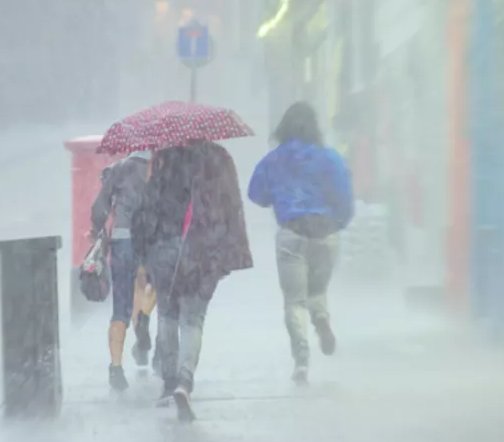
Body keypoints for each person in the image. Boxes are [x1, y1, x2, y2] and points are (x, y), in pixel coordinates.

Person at [131, 140, 252, 421]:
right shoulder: (215, 165)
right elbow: (229, 209)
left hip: (164, 251)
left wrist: (144, 254)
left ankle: (169, 381)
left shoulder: (164, 166)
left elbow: (145, 214)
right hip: (200, 252)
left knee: (168, 315)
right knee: (193, 320)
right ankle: (185, 382)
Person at [248, 102, 354, 384]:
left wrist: (278, 196)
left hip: (291, 233)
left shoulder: (274, 160)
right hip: (325, 233)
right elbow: (344, 196)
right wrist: (338, 223)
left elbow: (255, 193)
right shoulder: (330, 158)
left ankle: (302, 360)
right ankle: (320, 317)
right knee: (317, 288)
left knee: (294, 301)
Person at [91, 150, 154, 390]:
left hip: (121, 240)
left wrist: (98, 231)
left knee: (120, 306)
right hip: (148, 239)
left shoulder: (119, 169)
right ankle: (143, 327)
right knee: (145, 286)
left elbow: (99, 208)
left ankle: (116, 368)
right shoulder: (158, 170)